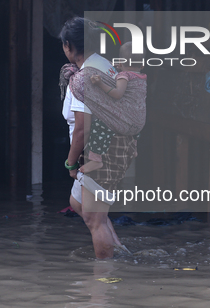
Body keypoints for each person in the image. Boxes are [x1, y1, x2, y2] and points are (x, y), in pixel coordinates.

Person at [59, 17, 137, 259]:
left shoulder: (84, 78)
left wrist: (71, 163)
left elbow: (83, 129)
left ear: (69, 46)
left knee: (94, 218)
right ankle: (120, 253)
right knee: (78, 203)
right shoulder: (104, 65)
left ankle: (104, 281)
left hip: (101, 153)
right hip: (116, 147)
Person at [81, 42, 147, 174]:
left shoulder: (124, 76)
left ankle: (96, 159)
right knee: (134, 113)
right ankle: (133, 149)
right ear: (142, 64)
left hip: (126, 122)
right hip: (139, 124)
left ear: (121, 62)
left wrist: (100, 83)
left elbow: (117, 94)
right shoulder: (142, 77)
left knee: (100, 125)